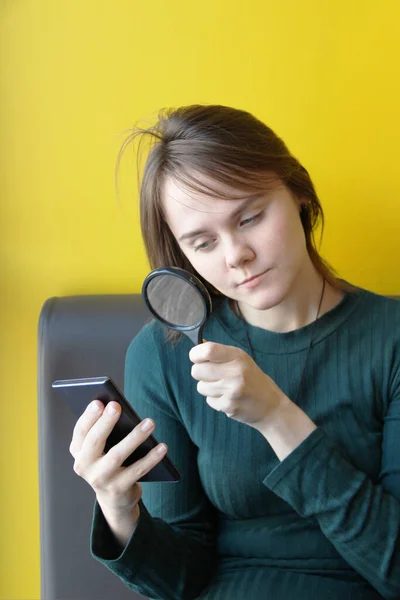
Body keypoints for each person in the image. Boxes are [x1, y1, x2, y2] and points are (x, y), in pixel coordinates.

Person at [69, 105, 400, 599]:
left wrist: (277, 417)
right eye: (202, 243)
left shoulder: (389, 337)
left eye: (250, 217)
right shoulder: (163, 355)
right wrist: (119, 508)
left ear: (300, 195)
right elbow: (180, 581)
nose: (234, 256)